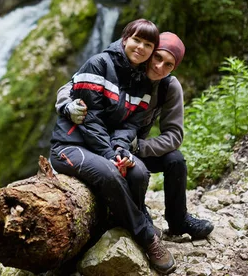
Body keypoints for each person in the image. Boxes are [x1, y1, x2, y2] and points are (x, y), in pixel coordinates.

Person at [56, 32, 214, 241]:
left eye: (168, 64)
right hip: (99, 143)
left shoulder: (168, 87)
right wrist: (66, 105)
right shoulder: (126, 68)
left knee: (175, 160)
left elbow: (174, 135)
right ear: (149, 53)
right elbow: (75, 84)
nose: (159, 67)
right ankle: (140, 216)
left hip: (131, 146)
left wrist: (137, 148)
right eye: (158, 57)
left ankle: (179, 220)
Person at [49, 19, 177, 275]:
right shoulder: (99, 64)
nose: (141, 47)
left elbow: (130, 124)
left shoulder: (142, 81)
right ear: (125, 38)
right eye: (137, 40)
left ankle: (121, 218)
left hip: (104, 148)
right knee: (110, 173)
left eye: (148, 44)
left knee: (139, 173)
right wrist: (111, 156)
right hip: (70, 146)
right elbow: (88, 118)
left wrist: (120, 151)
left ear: (153, 50)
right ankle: (147, 236)